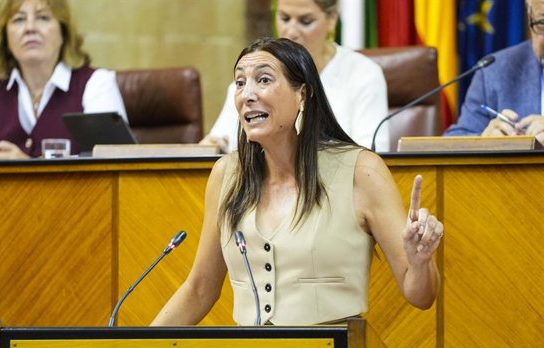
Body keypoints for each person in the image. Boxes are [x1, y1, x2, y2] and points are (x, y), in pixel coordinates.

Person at [152, 37, 442, 327]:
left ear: (302, 95)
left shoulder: (361, 171)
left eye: (263, 79)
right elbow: (200, 289)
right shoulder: (226, 175)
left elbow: (420, 296)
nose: (247, 94)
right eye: (240, 83)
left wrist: (420, 262)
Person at [200, 0, 390, 153]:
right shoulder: (249, 83)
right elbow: (217, 142)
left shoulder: (363, 73)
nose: (291, 32)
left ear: (331, 18)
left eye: (305, 21)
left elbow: (372, 153)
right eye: (284, 18)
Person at [0, 0, 128, 159]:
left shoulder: (96, 85)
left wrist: (26, 168)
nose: (30, 28)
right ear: (5, 37)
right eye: (19, 20)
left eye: (43, 18)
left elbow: (110, 174)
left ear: (63, 32)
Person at [445, 0, 544, 143]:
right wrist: (483, 143)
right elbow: (451, 142)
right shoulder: (494, 71)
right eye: (542, 21)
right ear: (530, 17)